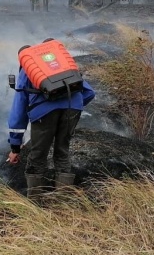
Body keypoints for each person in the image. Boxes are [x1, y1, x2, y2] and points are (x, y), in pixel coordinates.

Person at [6, 53, 95, 199]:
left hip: (44, 114)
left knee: (38, 156)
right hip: (72, 108)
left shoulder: (28, 70)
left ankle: (35, 203)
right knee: (62, 151)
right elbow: (90, 92)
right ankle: (63, 201)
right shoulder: (62, 64)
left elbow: (18, 110)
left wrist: (15, 146)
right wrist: (74, 106)